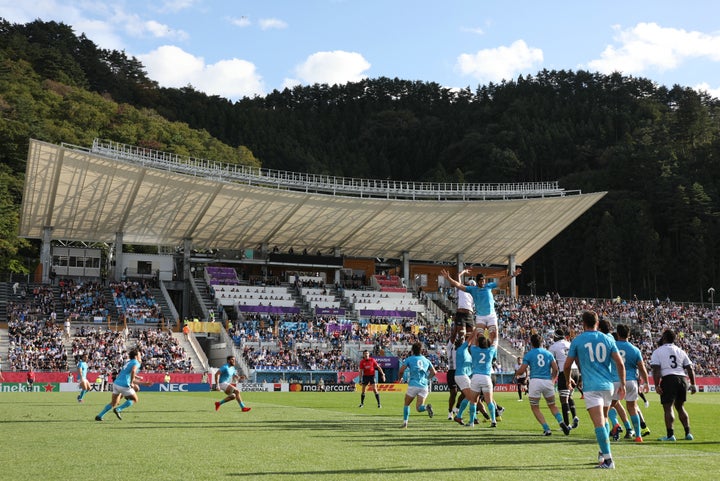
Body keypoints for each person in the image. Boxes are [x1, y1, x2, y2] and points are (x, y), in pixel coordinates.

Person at [564, 310, 625, 470]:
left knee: (598, 423)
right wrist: (623, 384)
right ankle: (602, 453)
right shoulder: (607, 339)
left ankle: (608, 460)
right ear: (597, 323)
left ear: (583, 323)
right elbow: (620, 364)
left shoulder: (578, 340)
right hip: (608, 386)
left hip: (592, 387)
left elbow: (567, 365)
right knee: (604, 419)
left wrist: (568, 381)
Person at [441, 266, 520, 344]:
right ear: (478, 281)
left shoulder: (488, 286)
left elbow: (501, 281)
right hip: (480, 317)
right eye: (481, 281)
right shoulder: (472, 290)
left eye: (484, 281)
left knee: (494, 335)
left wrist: (512, 276)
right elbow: (458, 284)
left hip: (491, 315)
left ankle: (493, 355)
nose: (483, 282)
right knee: (479, 337)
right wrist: (448, 278)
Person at [515, 333, 571, 436]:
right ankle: (561, 422)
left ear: (531, 343)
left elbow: (522, 370)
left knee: (535, 407)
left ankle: (547, 428)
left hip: (535, 381)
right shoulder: (548, 354)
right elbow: (555, 369)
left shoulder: (529, 354)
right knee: (552, 405)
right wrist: (553, 380)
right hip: (547, 381)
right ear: (542, 343)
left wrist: (516, 374)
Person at [650, 329, 697, 441]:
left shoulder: (658, 351)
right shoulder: (680, 351)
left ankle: (670, 435)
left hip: (668, 378)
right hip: (682, 379)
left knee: (668, 407)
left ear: (664, 338)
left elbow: (656, 370)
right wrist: (693, 384)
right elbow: (690, 368)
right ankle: (688, 433)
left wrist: (656, 385)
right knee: (680, 407)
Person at [615, 324, 651, 442]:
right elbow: (642, 368)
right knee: (632, 408)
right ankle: (638, 436)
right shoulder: (635, 349)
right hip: (631, 381)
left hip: (615, 380)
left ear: (618, 334)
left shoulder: (612, 346)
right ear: (629, 335)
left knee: (608, 406)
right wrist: (646, 382)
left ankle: (614, 428)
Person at [95, 349, 149, 421]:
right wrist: (132, 382)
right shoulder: (136, 362)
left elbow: (127, 372)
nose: (140, 356)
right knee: (134, 399)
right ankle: (119, 409)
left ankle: (100, 415)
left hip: (116, 383)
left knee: (114, 402)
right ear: (136, 356)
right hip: (124, 385)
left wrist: (137, 377)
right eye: (139, 355)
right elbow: (133, 371)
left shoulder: (128, 362)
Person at [398, 342, 437, 428]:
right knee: (419, 408)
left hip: (413, 385)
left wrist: (400, 378)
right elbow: (434, 372)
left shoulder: (409, 359)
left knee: (407, 404)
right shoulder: (426, 360)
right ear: (422, 350)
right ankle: (426, 407)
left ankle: (405, 423)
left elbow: (401, 371)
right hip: (424, 386)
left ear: (412, 350)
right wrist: (427, 378)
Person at [466, 328, 499, 427]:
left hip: (476, 377)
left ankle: (472, 422)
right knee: (489, 401)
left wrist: (476, 332)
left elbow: (471, 342)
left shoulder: (474, 350)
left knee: (473, 401)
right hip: (486, 377)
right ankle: (493, 420)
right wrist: (493, 335)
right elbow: (495, 343)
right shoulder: (490, 351)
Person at [548, 328, 580, 429]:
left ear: (556, 336)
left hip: (565, 371)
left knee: (563, 399)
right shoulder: (569, 344)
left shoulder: (553, 347)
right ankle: (574, 416)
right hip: (575, 370)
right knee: (569, 396)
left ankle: (566, 424)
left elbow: (551, 362)